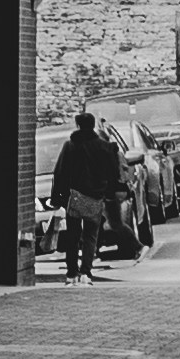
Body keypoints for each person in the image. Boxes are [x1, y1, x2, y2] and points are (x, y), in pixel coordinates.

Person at [51, 106, 127, 270]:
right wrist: (111, 192)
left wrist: (56, 197)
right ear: (93, 126)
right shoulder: (104, 147)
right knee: (91, 235)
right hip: (95, 196)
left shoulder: (69, 146)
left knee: (73, 235)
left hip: (75, 197)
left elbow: (60, 172)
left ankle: (72, 270)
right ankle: (86, 269)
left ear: (78, 126)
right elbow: (113, 173)